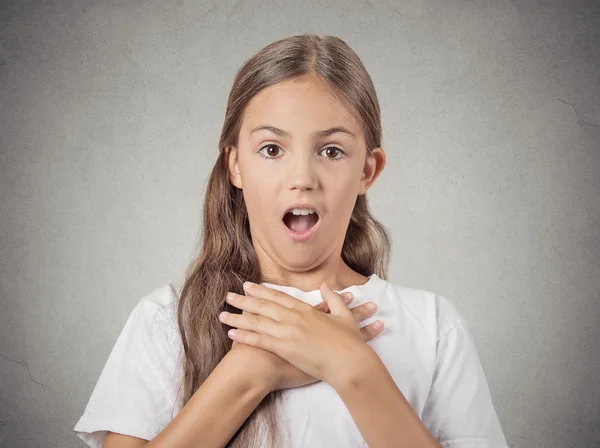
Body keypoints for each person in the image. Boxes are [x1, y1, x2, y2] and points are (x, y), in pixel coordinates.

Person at [73, 34, 508, 448]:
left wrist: (352, 367)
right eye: (272, 149)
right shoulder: (168, 321)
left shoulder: (433, 327)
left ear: (367, 171)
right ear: (235, 165)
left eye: (331, 151)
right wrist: (250, 372)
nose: (302, 180)